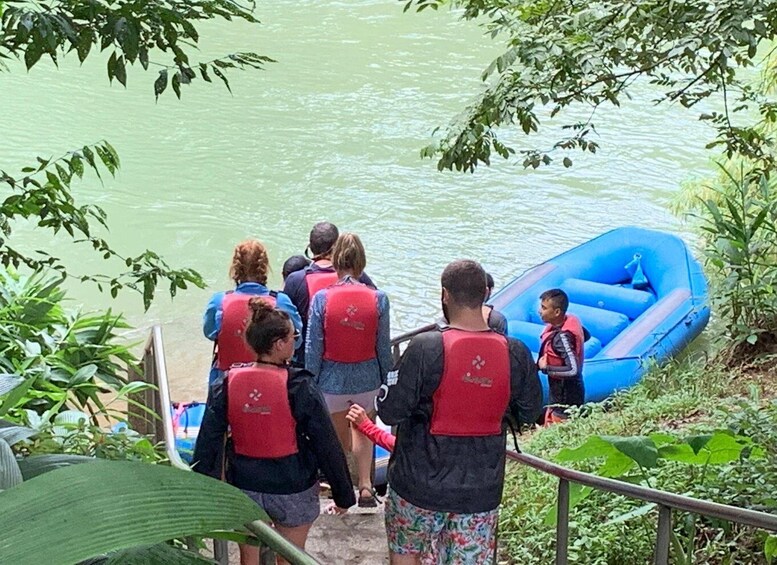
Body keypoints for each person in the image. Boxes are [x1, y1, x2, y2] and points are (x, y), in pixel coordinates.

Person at [377, 259, 542, 564]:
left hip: (417, 485)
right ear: (485, 294)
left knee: (405, 556)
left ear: (445, 295)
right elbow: (531, 411)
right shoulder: (515, 352)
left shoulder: (425, 347)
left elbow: (389, 411)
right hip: (480, 491)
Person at [192, 299, 356, 565]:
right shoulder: (300, 385)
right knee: (290, 557)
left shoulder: (226, 383)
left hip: (244, 484)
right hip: (292, 486)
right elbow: (325, 443)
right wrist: (343, 495)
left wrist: (200, 488)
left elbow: (209, 439)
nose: (296, 341)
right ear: (279, 343)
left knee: (249, 557)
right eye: (294, 336)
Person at [306, 233, 392, 508]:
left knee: (338, 439)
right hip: (367, 378)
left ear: (335, 260)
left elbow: (313, 347)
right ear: (361, 261)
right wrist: (383, 377)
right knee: (364, 428)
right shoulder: (379, 299)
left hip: (331, 379)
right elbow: (383, 346)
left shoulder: (322, 299)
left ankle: (341, 492)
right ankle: (366, 486)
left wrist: (312, 380)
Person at [203, 240, 302, 384]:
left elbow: (209, 333)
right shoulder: (281, 301)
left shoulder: (219, 301)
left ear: (235, 267)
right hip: (271, 381)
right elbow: (296, 341)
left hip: (225, 382)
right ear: (265, 267)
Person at [283, 222, 376, 365]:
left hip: (305, 365)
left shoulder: (295, 280)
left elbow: (285, 324)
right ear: (337, 247)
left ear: (310, 247)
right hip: (348, 361)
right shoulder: (358, 277)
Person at [537, 288, 586, 424]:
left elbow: (573, 370)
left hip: (566, 400)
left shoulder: (562, 338)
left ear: (557, 312)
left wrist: (546, 368)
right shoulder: (568, 322)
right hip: (559, 396)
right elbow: (586, 335)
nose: (539, 311)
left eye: (544, 308)